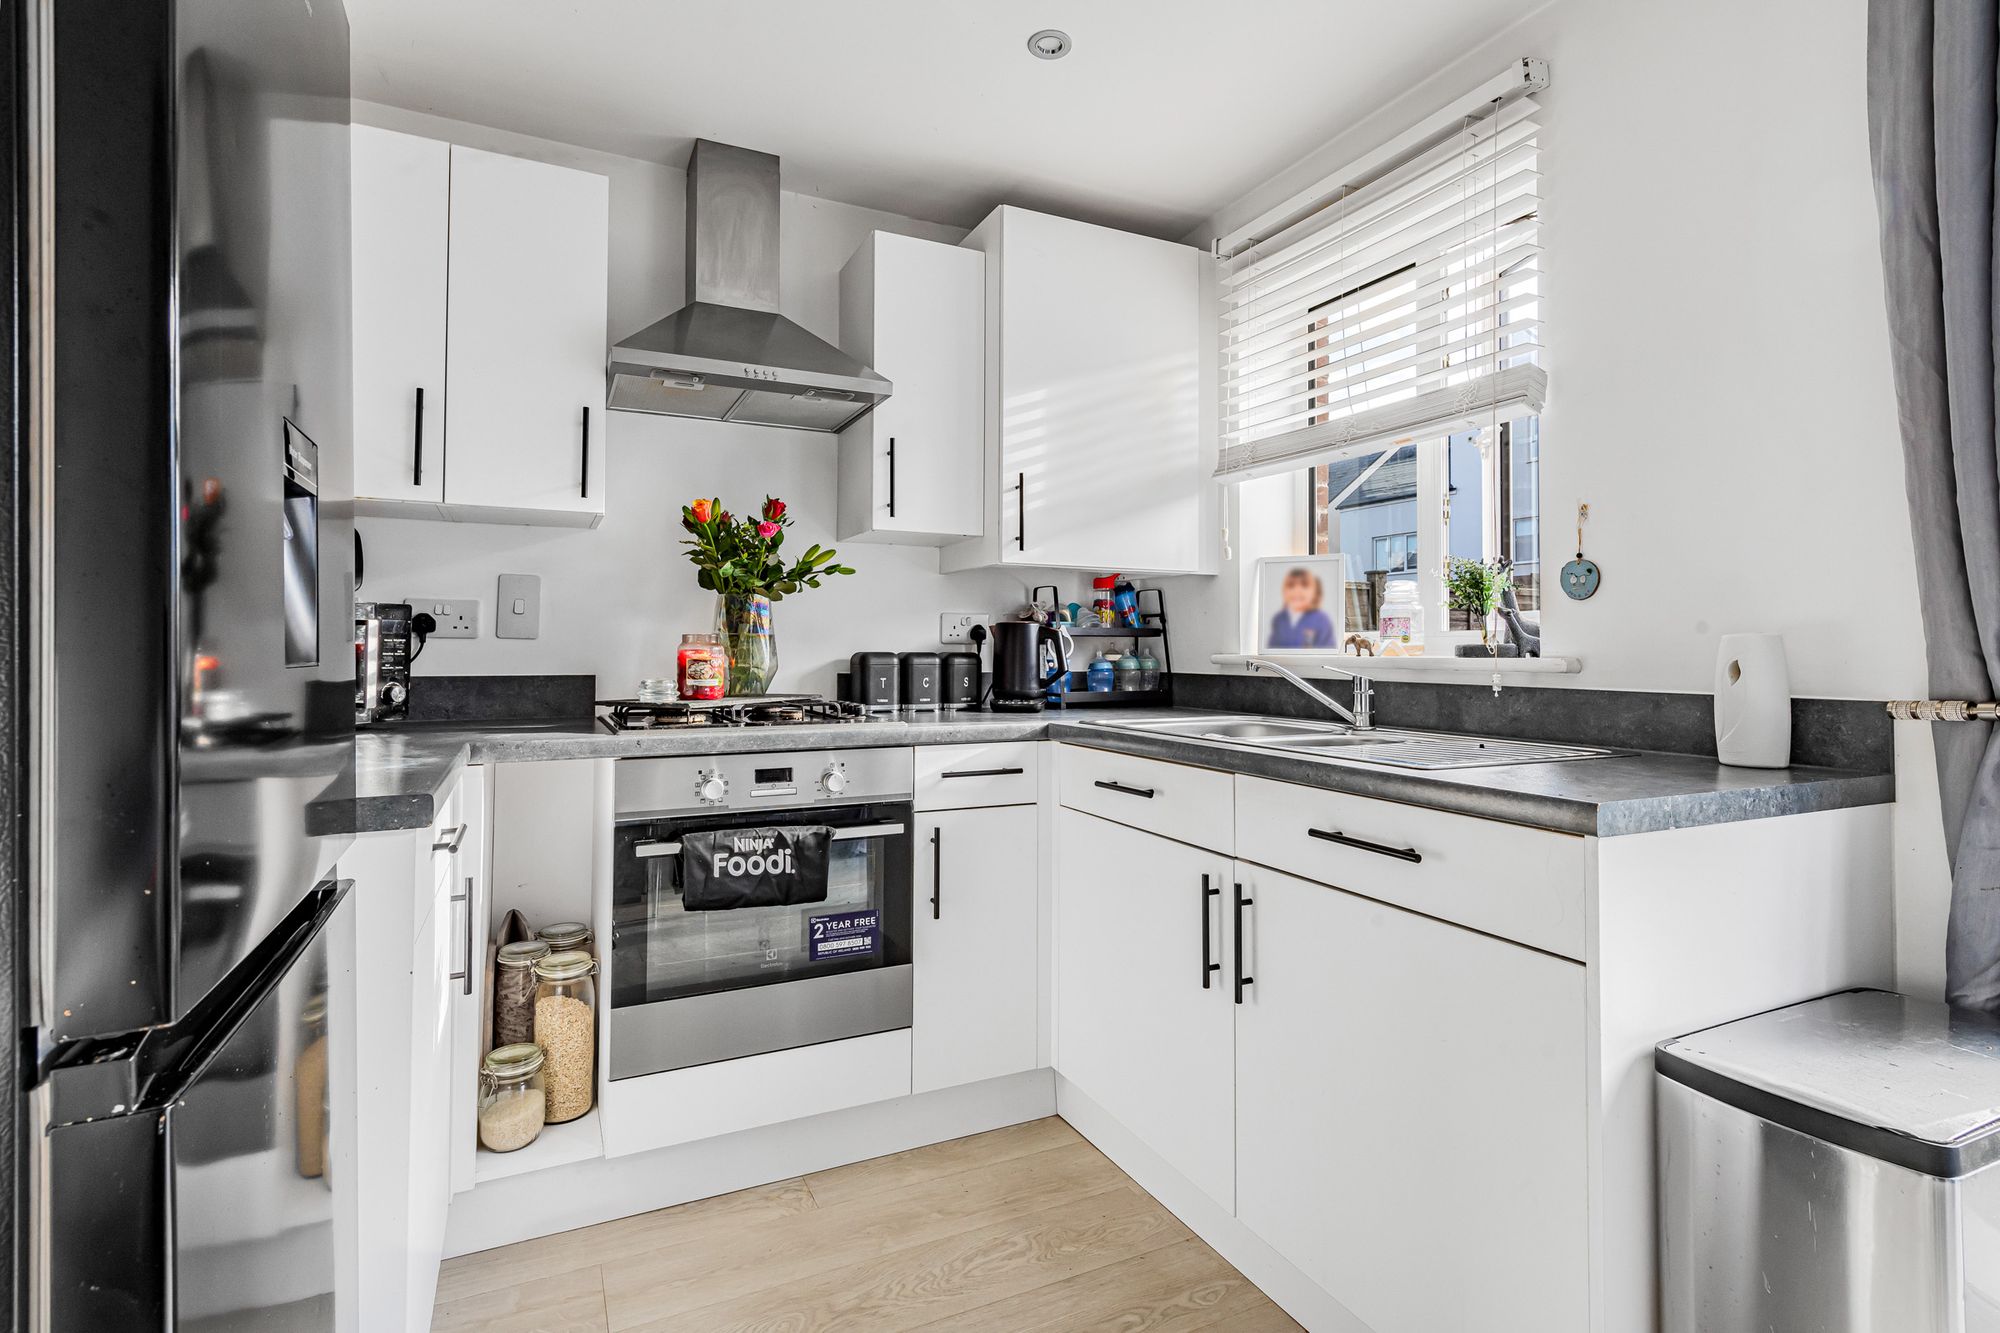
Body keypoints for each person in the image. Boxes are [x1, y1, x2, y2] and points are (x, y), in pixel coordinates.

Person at [1268, 566, 1336, 649]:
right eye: (1291, 585)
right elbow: (1272, 648)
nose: (1297, 590)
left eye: (1304, 585)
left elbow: (1328, 651)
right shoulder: (1279, 619)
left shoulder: (1321, 620)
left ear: (1315, 592)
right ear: (1284, 591)